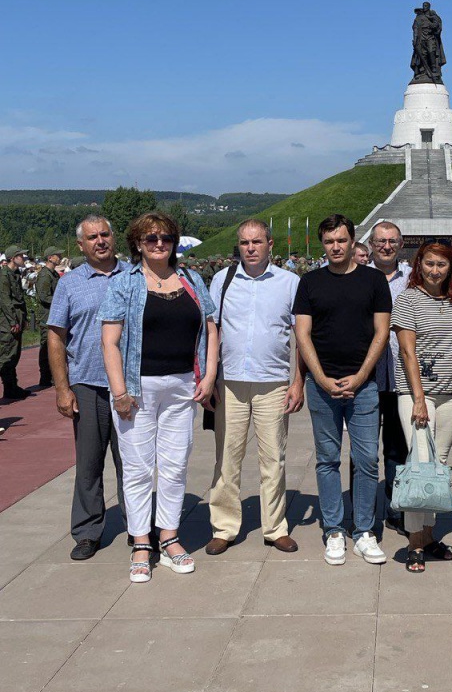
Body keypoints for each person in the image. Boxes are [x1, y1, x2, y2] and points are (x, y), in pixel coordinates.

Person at [99, 212, 218, 583]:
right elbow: (110, 341)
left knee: (174, 463)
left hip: (182, 384)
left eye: (166, 238)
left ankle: (168, 536)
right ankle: (140, 542)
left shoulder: (191, 279)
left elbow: (211, 329)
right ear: (137, 244)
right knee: (137, 467)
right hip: (137, 388)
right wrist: (119, 391)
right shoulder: (125, 283)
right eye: (150, 239)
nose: (159, 244)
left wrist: (210, 375)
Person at [293, 214, 391, 566]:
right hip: (322, 387)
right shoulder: (310, 282)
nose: (335, 246)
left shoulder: (374, 280)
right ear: (323, 244)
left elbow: (381, 332)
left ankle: (364, 530)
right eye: (329, 241)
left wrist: (363, 374)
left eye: (341, 240)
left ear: (352, 242)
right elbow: (302, 333)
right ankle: (334, 529)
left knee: (366, 459)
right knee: (327, 460)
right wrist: (318, 379)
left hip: (363, 386)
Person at [206, 219, 304, 556]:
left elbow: (301, 337)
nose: (250, 248)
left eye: (257, 242)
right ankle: (224, 526)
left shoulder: (289, 283)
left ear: (270, 244)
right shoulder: (222, 280)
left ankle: (275, 527)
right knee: (227, 457)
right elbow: (211, 332)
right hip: (230, 381)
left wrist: (298, 380)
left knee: (273, 458)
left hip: (273, 381)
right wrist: (209, 378)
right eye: (245, 243)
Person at [47, 218, 129, 559]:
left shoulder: (134, 275)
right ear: (80, 245)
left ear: (114, 237)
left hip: (130, 385)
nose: (100, 241)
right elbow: (56, 335)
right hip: (88, 384)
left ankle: (140, 528)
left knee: (132, 462)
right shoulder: (70, 284)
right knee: (89, 463)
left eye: (105, 234)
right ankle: (87, 531)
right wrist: (62, 389)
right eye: (92, 237)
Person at [392, 240, 452, 572]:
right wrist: (419, 398)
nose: (435, 270)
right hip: (418, 393)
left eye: (442, 265)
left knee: (440, 465)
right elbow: (407, 352)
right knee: (421, 466)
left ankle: (430, 536)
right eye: (429, 263)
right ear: (418, 265)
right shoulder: (408, 299)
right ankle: (415, 544)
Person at [367, 221, 411, 535]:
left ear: (400, 244)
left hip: (400, 377)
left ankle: (396, 508)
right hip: (365, 376)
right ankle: (364, 509)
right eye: (381, 241)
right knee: (364, 449)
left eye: (392, 241)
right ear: (371, 243)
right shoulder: (357, 276)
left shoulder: (413, 279)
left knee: (398, 449)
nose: (386, 246)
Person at [0, 246, 29, 400]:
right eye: (20, 256)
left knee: (15, 353)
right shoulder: (4, 275)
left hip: (17, 316)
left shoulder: (15, 274)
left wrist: (24, 319)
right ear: (13, 258)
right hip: (8, 319)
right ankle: (9, 388)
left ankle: (13, 386)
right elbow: (5, 300)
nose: (23, 258)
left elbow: (20, 299)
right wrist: (13, 321)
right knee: (8, 354)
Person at [35, 246, 63, 387]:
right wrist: (61, 301)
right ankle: (45, 377)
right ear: (50, 258)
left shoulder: (53, 274)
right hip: (47, 315)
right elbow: (44, 296)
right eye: (57, 255)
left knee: (53, 346)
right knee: (46, 346)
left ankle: (50, 376)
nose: (60, 257)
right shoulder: (45, 275)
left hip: (53, 314)